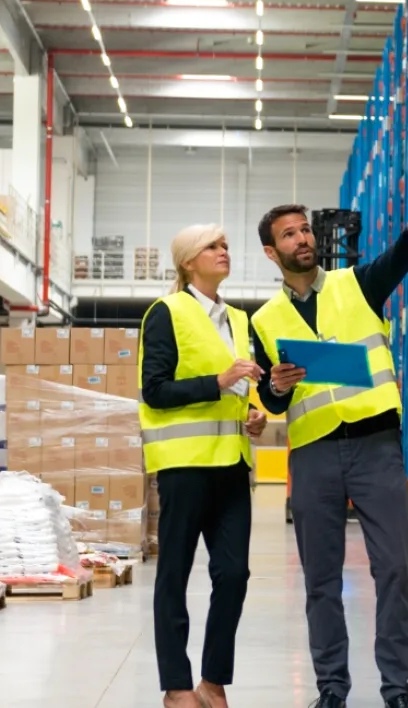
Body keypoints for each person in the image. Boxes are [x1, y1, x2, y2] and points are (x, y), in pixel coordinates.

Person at [250, 194, 408, 708]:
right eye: (290, 235)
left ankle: (396, 689)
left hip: (375, 445)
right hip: (315, 454)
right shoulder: (265, 320)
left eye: (305, 230)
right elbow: (272, 402)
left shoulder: (354, 285)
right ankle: (331, 689)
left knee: (393, 566)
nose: (303, 239)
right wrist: (276, 385)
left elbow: (395, 263)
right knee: (320, 578)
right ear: (272, 253)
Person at [138, 224, 268, 708]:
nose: (223, 252)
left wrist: (252, 414)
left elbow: (236, 389)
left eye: (226, 246)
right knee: (174, 572)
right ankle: (176, 686)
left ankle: (212, 684)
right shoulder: (166, 313)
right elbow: (155, 390)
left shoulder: (237, 318)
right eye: (213, 247)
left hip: (233, 464)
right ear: (189, 261)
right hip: (185, 465)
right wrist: (217, 381)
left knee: (234, 574)